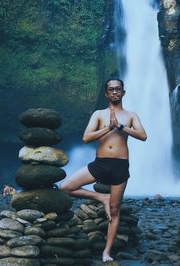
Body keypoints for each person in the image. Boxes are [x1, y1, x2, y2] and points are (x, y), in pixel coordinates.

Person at [60, 78, 147, 262]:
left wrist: (121, 127)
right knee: (65, 187)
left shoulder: (131, 116)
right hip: (100, 163)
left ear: (123, 92)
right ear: (106, 93)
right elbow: (86, 138)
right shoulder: (99, 114)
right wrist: (109, 127)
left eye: (118, 89)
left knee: (114, 211)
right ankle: (102, 197)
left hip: (120, 166)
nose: (115, 92)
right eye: (111, 90)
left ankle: (106, 252)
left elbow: (143, 136)